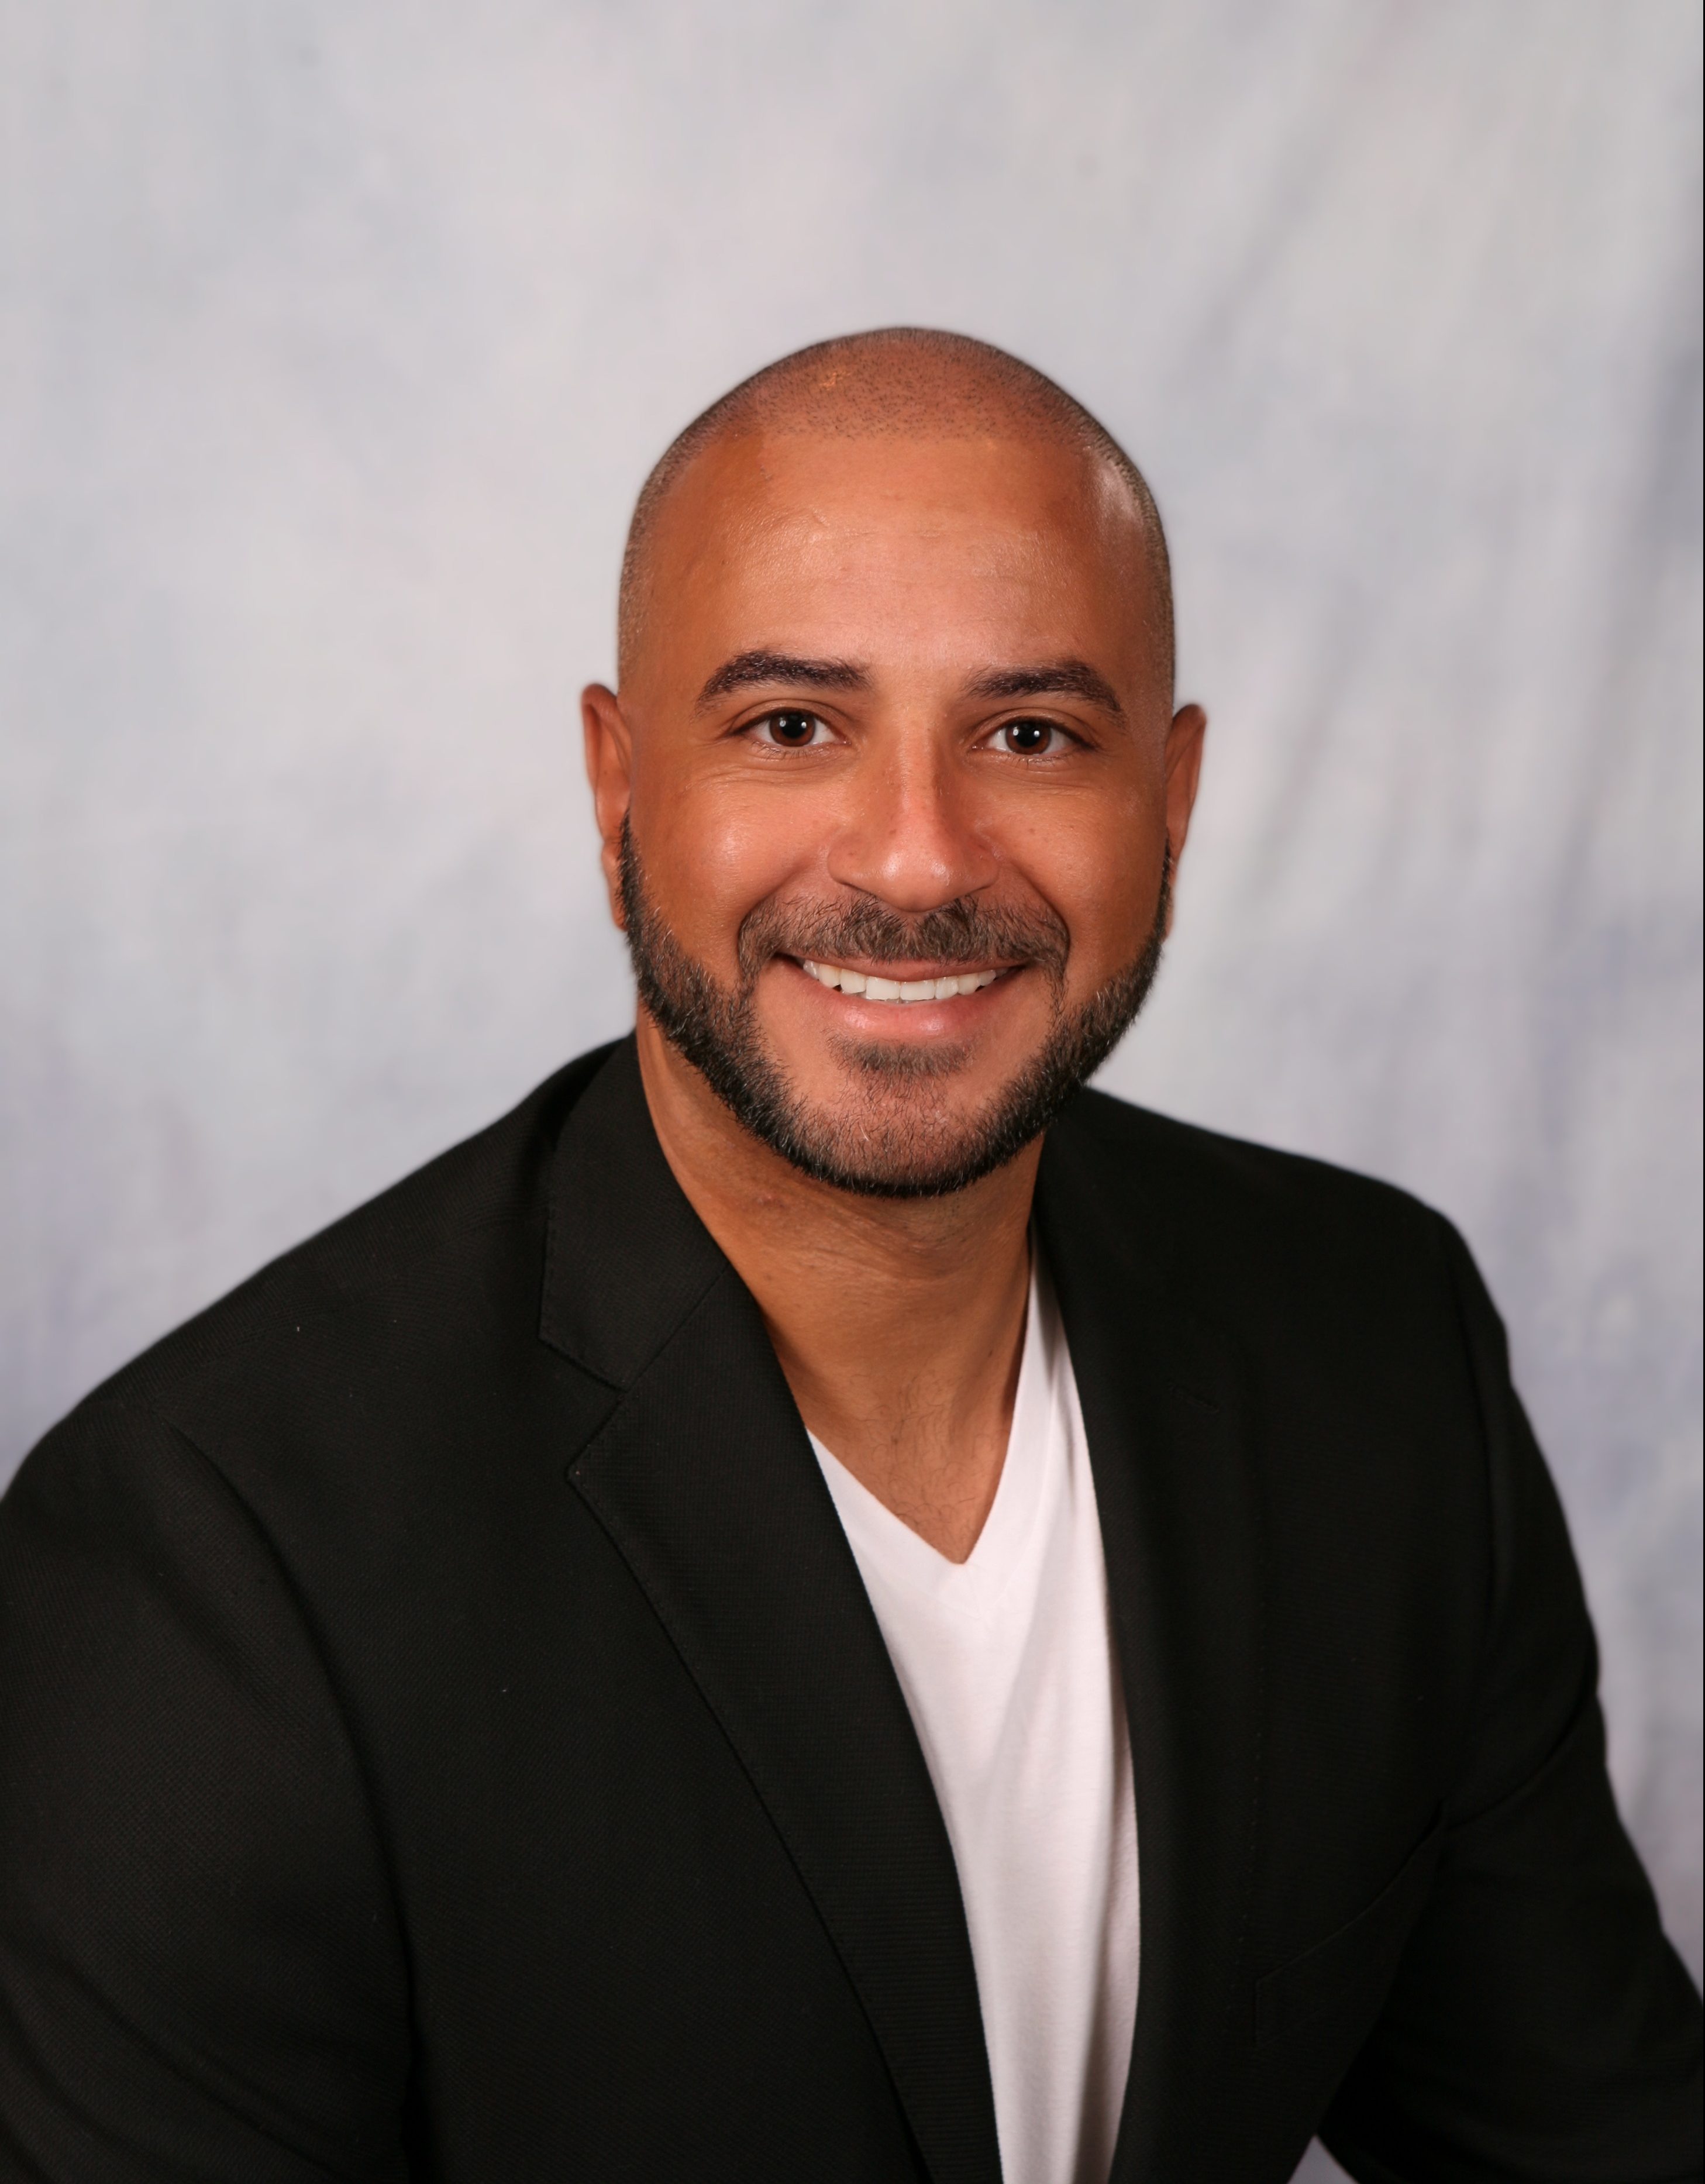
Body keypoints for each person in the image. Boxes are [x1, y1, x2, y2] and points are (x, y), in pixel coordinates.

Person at [0, 329, 1698, 2184]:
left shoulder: (1370, 1347)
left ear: (1171, 798)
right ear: (619, 787)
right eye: (792, 727)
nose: (913, 861)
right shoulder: (211, 1567)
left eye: (1029, 735)